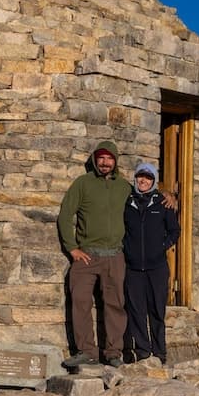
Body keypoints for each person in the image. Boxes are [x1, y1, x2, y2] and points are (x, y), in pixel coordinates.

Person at [57, 140, 129, 368]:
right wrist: (72, 248)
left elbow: (148, 198)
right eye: (101, 158)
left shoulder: (125, 187)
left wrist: (170, 196)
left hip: (115, 256)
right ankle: (86, 351)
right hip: (86, 255)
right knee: (79, 302)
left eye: (109, 158)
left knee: (115, 305)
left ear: (115, 161)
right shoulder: (83, 184)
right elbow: (65, 215)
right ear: (95, 160)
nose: (105, 162)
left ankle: (113, 353)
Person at [123, 161, 180, 365]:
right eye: (140, 176)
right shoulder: (127, 202)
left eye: (148, 177)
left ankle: (160, 352)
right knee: (136, 311)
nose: (143, 181)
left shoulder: (162, 203)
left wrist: (162, 245)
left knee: (157, 311)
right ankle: (143, 352)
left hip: (157, 267)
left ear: (154, 180)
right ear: (135, 178)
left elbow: (175, 230)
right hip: (133, 268)